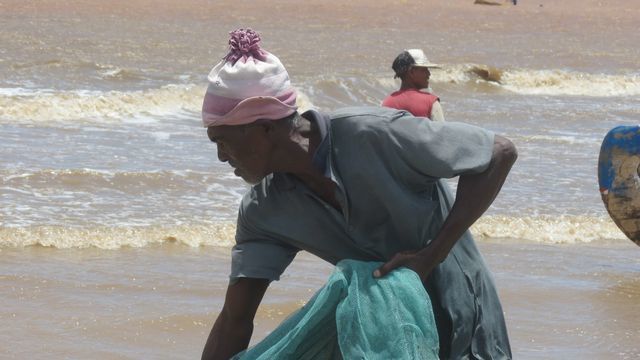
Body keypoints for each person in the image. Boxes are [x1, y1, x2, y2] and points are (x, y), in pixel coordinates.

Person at [201, 28, 517, 360]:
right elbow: (235, 321)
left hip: (466, 320)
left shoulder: (373, 134)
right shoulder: (263, 211)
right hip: (377, 344)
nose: (222, 156)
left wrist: (431, 255)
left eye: (222, 140)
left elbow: (498, 153)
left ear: (264, 128)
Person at [382, 49, 445, 121]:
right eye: (424, 70)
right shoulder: (431, 103)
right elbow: (441, 131)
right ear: (411, 72)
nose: (429, 74)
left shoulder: (386, 103)